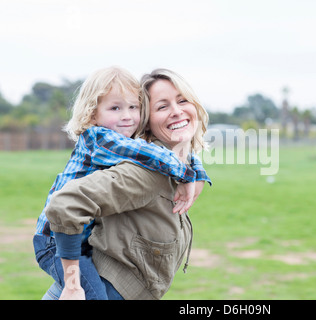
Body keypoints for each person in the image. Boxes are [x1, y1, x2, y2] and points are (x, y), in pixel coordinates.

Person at [33, 67, 210, 300]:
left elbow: (164, 155)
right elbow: (63, 205)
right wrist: (73, 285)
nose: (126, 116)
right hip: (54, 241)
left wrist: (195, 172)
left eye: (182, 100)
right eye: (162, 106)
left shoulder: (157, 160)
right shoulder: (119, 151)